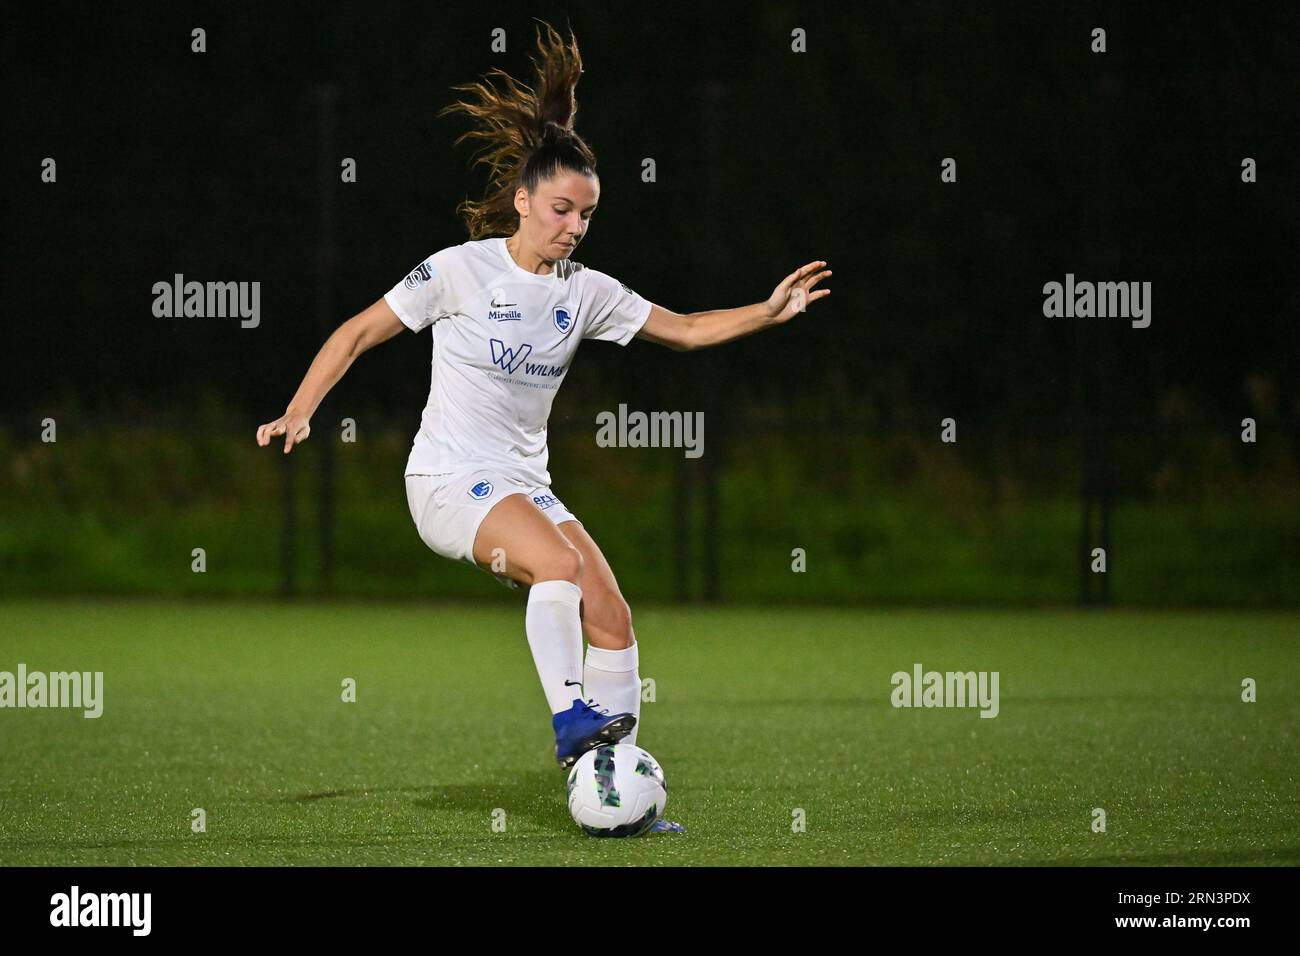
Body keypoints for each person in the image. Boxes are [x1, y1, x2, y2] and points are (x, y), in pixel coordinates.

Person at [256, 21, 829, 833]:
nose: (574, 227)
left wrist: (768, 313)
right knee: (556, 566)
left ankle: (613, 784)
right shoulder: (459, 270)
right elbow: (356, 331)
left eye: (587, 215)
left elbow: (690, 329)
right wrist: (301, 409)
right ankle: (572, 723)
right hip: (448, 483)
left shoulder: (584, 290)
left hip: (524, 484)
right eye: (561, 209)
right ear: (522, 202)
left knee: (613, 614)